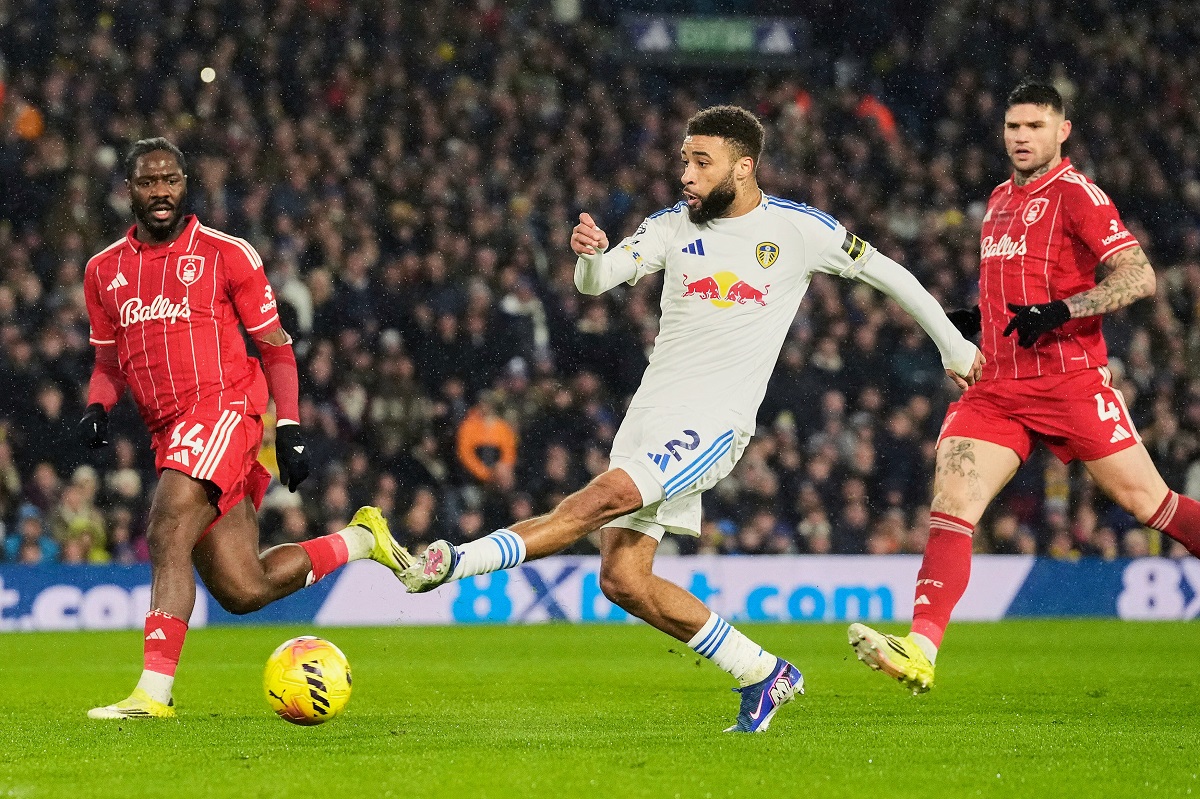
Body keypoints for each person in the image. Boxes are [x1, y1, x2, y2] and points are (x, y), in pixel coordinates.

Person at [400, 106, 983, 732]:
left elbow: (888, 273)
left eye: (701, 162)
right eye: (684, 160)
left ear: (744, 166)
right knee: (623, 579)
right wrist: (591, 256)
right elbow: (599, 282)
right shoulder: (670, 227)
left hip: (714, 424)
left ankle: (457, 562)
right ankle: (762, 670)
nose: (687, 173)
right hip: (649, 417)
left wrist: (952, 345)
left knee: (598, 501)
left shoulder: (797, 230)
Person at [848, 81, 1200, 693]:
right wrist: (975, 321)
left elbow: (1140, 277)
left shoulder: (1077, 195)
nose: (1020, 136)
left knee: (1153, 506)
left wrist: (1066, 311)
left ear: (1062, 131)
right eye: (1013, 126)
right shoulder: (997, 201)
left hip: (1071, 383)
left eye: (1034, 126)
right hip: (997, 388)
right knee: (953, 505)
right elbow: (1013, 294)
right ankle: (920, 649)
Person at [82, 138, 411, 720]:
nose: (160, 191)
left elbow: (276, 348)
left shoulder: (225, 253)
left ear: (186, 183)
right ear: (128, 189)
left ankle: (152, 695)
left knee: (165, 530)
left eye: (170, 180)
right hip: (169, 432)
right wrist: (98, 407)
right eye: (147, 182)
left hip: (221, 410)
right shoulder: (102, 271)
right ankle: (362, 539)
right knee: (243, 588)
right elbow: (108, 362)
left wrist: (288, 425)